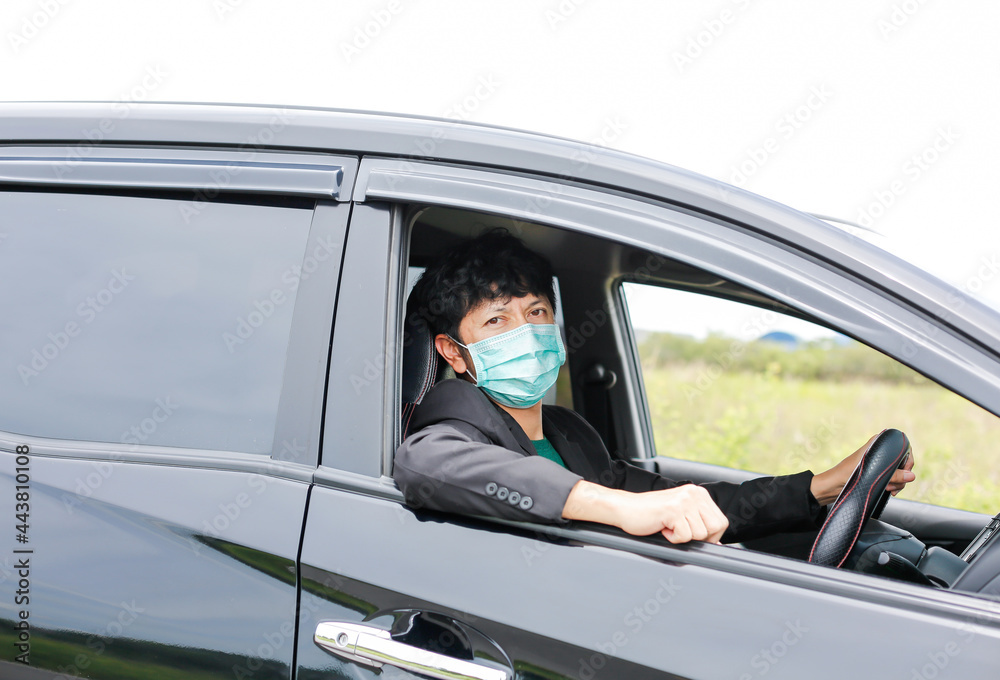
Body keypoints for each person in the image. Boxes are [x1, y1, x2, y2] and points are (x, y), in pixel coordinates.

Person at [393, 229, 916, 544]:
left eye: (536, 313)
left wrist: (818, 485)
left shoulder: (570, 435)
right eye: (496, 322)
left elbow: (677, 500)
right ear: (451, 352)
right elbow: (426, 466)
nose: (525, 334)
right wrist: (622, 508)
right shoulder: (448, 433)